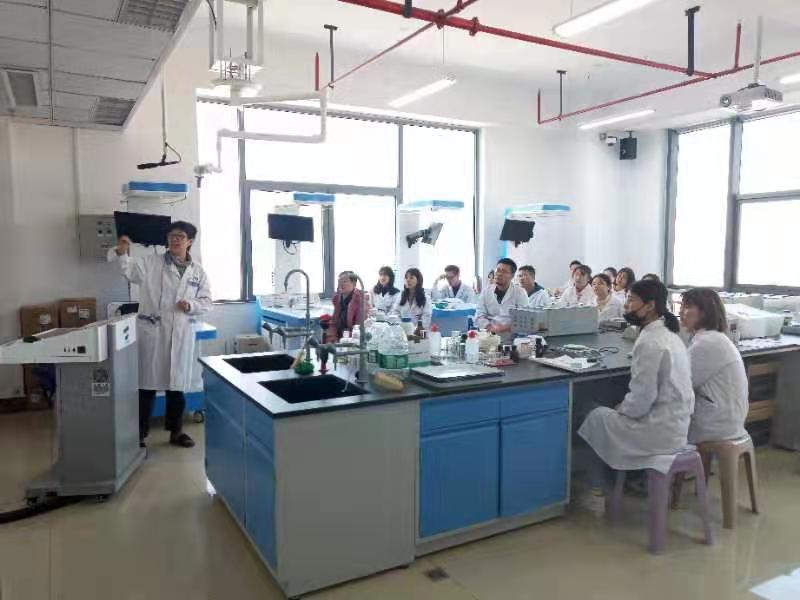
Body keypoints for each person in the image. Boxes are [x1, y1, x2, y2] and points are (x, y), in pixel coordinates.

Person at [578, 280, 694, 500]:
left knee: (588, 412)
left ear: (650, 306)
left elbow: (641, 401)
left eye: (631, 300)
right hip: (676, 427)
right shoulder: (671, 336)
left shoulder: (649, 341)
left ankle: (596, 490)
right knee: (604, 410)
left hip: (656, 432)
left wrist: (621, 408)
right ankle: (621, 480)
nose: (626, 305)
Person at [111, 222, 212, 449]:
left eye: (180, 236)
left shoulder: (197, 271)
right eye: (171, 236)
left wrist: (191, 305)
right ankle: (139, 435)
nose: (174, 240)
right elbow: (130, 272)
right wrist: (122, 253)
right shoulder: (151, 262)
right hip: (153, 334)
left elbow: (207, 301)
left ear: (190, 242)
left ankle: (176, 432)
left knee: (177, 387)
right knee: (146, 387)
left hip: (181, 334)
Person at [680, 288, 748, 444]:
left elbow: (679, 384)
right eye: (682, 306)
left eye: (687, 307)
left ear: (705, 312)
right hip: (727, 420)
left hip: (716, 425)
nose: (681, 311)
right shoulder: (714, 338)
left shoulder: (707, 343)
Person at [475, 258, 529, 342]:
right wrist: (490, 327)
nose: (499, 274)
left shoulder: (520, 293)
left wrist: (502, 328)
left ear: (512, 276)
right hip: (488, 336)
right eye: (497, 270)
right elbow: (479, 314)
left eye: (504, 271)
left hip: (511, 338)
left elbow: (523, 319)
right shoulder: (486, 291)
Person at [328, 271, 367, 343]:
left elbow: (358, 328)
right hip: (338, 338)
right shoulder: (337, 298)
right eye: (339, 281)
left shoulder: (360, 300)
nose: (340, 284)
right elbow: (334, 322)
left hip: (352, 340)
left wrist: (344, 342)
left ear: (354, 284)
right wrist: (332, 337)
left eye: (344, 281)